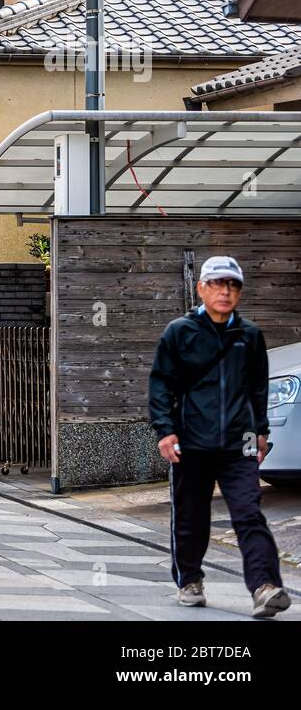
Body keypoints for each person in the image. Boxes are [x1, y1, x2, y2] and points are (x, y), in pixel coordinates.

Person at [149, 255, 291, 618]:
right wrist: (165, 431)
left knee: (248, 513)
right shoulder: (179, 333)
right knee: (191, 516)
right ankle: (189, 580)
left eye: (232, 285)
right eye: (217, 284)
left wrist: (261, 431)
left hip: (237, 443)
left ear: (239, 292)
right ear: (201, 288)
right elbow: (161, 385)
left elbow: (258, 387)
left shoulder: (249, 336)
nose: (225, 292)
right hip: (190, 442)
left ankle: (265, 586)